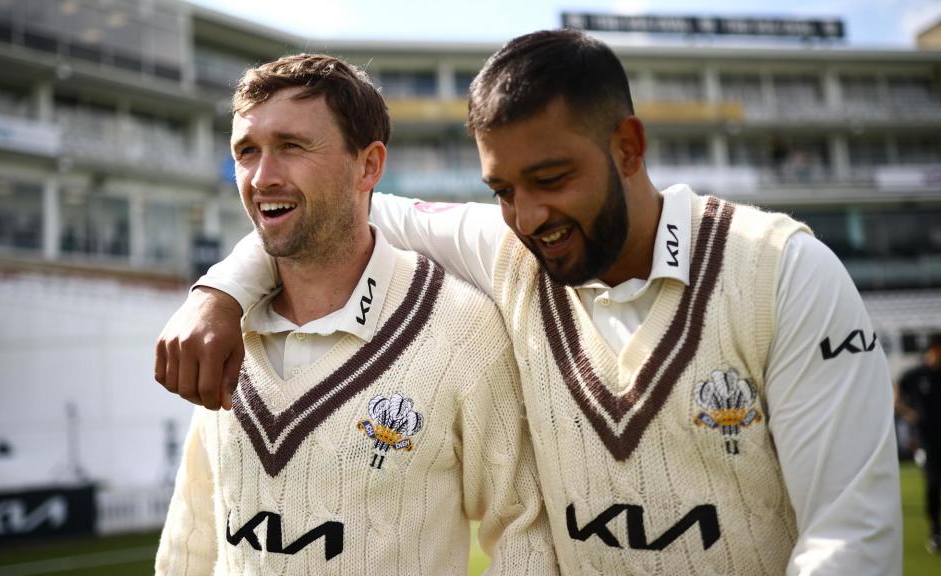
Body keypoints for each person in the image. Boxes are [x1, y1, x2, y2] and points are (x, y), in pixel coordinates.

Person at [156, 30, 902, 574]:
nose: (529, 214)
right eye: (503, 191)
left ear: (629, 148)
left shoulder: (783, 271)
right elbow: (327, 212)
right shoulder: (515, 248)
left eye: (552, 177)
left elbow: (851, 541)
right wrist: (219, 293)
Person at [154, 53, 558, 575]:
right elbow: (192, 538)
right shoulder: (225, 333)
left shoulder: (465, 330)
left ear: (368, 165)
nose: (262, 177)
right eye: (246, 151)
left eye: (292, 147)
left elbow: (525, 534)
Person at [897, 335, 941, 554]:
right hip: (929, 441)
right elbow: (897, 394)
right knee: (933, 486)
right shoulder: (916, 375)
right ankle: (936, 531)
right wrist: (909, 415)